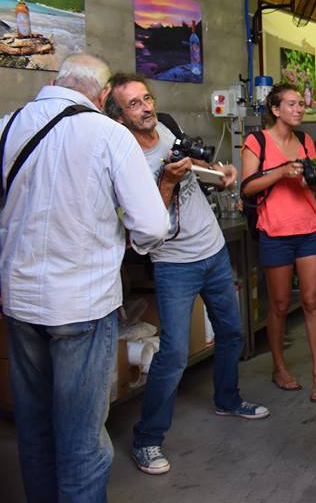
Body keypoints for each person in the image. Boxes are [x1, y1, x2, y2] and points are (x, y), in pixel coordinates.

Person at [0, 55, 169, 502]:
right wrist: (128, 238)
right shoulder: (109, 134)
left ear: (56, 80)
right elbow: (152, 225)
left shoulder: (7, 125)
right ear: (102, 94)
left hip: (19, 303)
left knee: (34, 430)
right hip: (82, 305)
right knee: (82, 441)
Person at [104, 73, 270, 476]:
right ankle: (147, 439)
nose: (146, 108)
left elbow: (193, 165)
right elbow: (141, 227)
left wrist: (219, 173)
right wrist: (167, 181)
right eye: (134, 104)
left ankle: (227, 399)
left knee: (232, 332)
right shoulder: (123, 158)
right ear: (119, 116)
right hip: (174, 264)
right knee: (174, 355)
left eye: (147, 98)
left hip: (212, 250)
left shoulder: (165, 125)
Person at [240, 84, 316, 401]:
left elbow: (315, 184)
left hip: (309, 228)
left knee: (312, 301)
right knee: (278, 305)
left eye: (301, 104)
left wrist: (308, 178)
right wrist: (281, 172)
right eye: (291, 104)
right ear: (275, 110)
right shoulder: (257, 141)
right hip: (275, 231)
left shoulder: (305, 141)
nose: (299, 109)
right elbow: (247, 188)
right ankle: (279, 367)